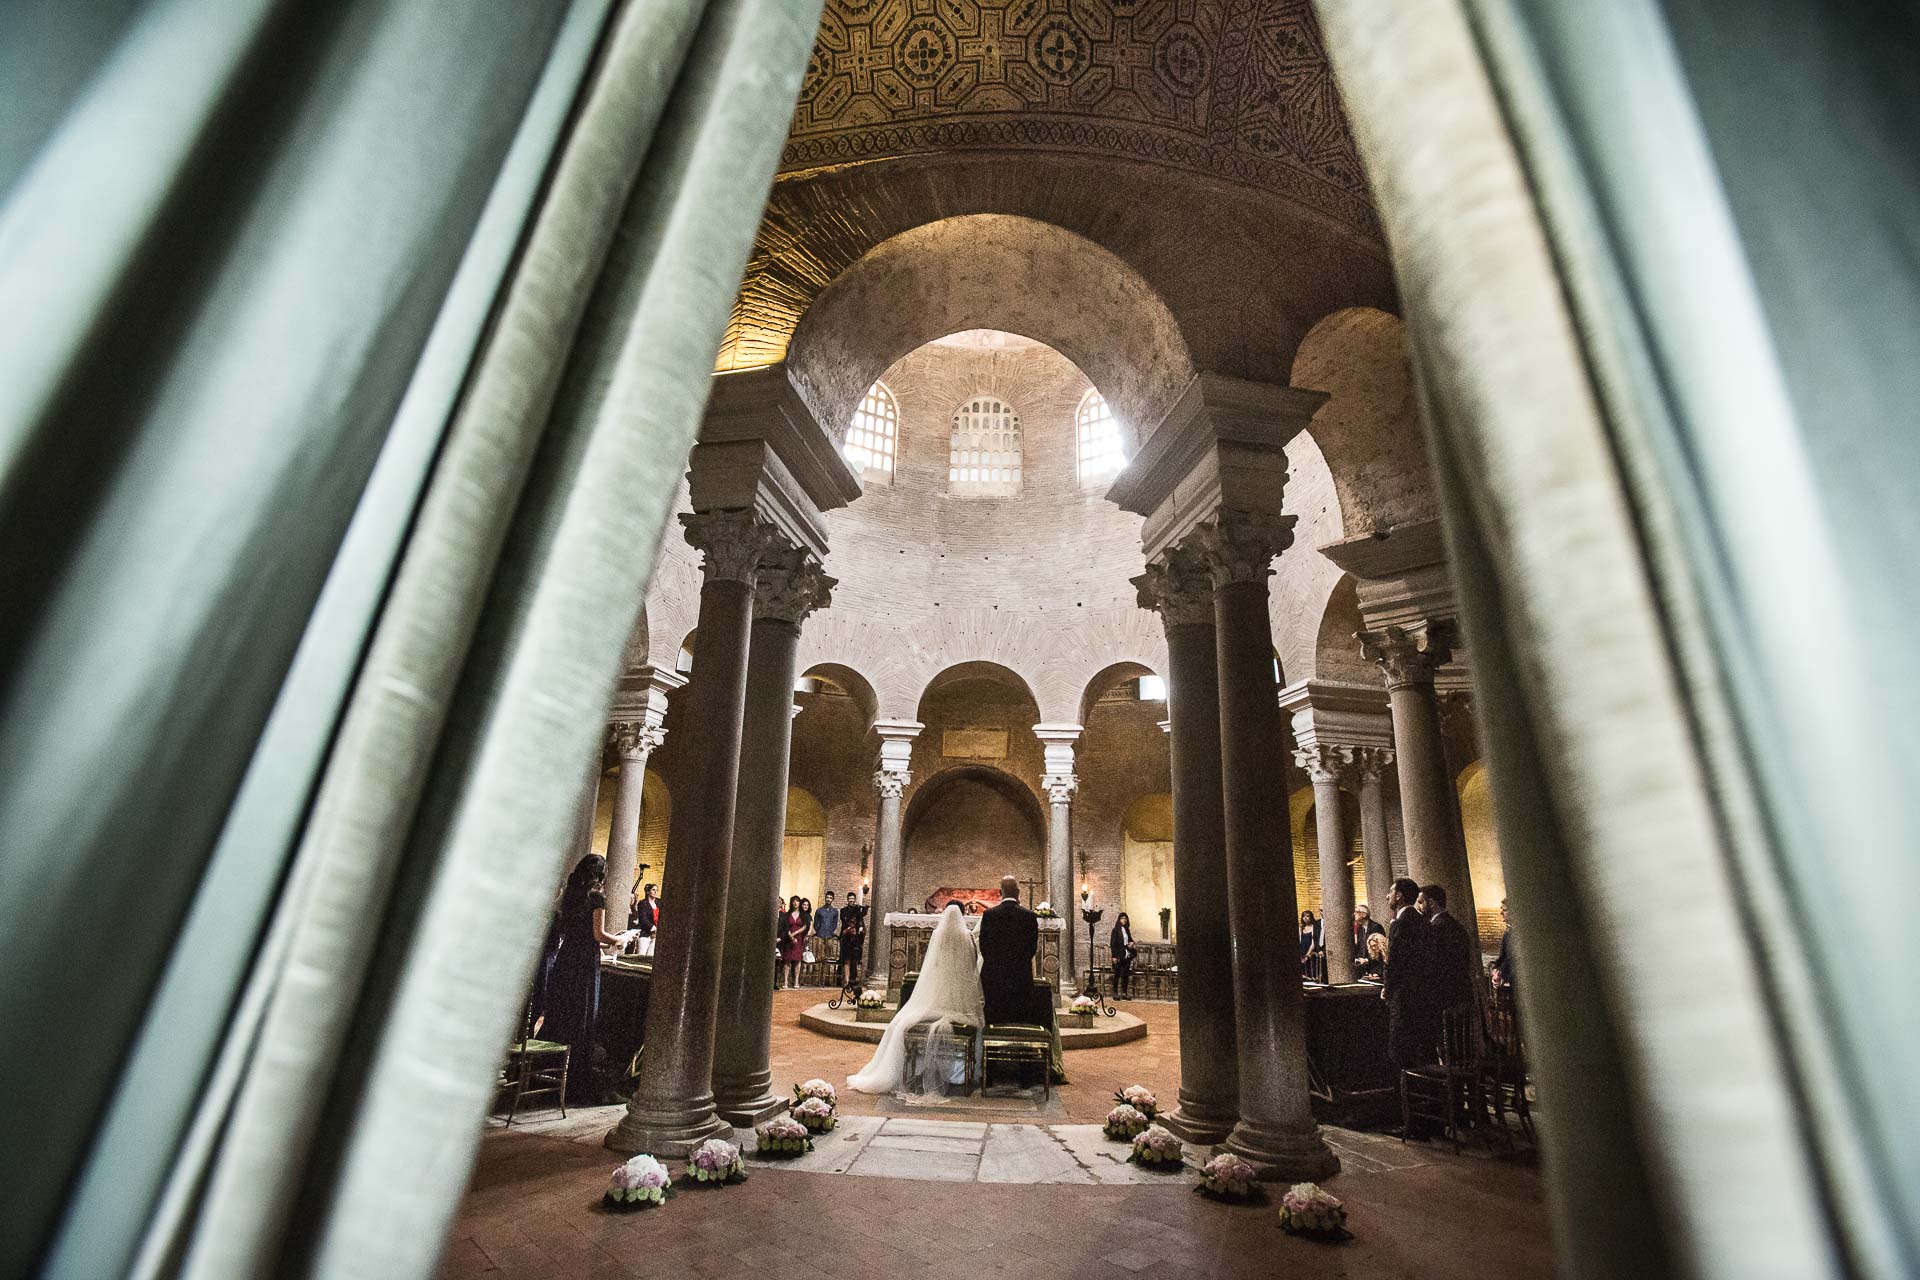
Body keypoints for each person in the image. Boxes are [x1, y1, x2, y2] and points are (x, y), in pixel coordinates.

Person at [849, 902, 983, 1096]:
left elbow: (932, 965)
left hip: (936, 993)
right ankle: (961, 1073)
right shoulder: (967, 937)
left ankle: (915, 1067)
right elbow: (972, 966)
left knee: (902, 1022)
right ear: (963, 916)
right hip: (959, 997)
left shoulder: (938, 935)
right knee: (976, 1022)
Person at [543, 855, 635, 1104]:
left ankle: (546, 1077)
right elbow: (598, 935)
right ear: (602, 874)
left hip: (566, 960)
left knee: (562, 1015)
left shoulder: (571, 896)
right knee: (582, 1020)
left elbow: (566, 928)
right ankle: (575, 1083)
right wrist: (621, 940)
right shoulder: (597, 897)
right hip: (584, 962)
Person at [1382, 876, 1434, 1068]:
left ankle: (1404, 1092)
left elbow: (1394, 961)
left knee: (1400, 1049)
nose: (1388, 895)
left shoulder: (1400, 923)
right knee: (1422, 1047)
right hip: (1424, 994)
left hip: (1404, 996)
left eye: (1391, 891)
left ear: (1400, 896)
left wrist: (1387, 989)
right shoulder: (1424, 921)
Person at [977, 875, 1040, 1027]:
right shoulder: (1029, 916)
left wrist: (996, 964)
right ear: (1018, 893)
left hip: (994, 976)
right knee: (1018, 1019)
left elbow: (984, 946)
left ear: (1001, 892)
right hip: (1020, 976)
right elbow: (1032, 948)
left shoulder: (989, 915)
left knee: (994, 1019)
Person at [1419, 883, 1476, 1014]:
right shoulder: (1455, 925)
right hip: (1460, 992)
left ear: (1432, 903)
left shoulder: (1437, 928)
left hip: (1445, 996)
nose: (1420, 908)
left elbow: (1434, 963)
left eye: (1421, 902)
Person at [777, 895, 809, 990]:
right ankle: (785, 981)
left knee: (797, 960)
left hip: (799, 938)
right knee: (787, 960)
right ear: (791, 903)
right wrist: (790, 935)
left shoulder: (803, 915)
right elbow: (785, 926)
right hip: (788, 938)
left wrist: (795, 934)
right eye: (794, 901)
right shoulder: (787, 914)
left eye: (797, 901)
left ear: (799, 903)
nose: (795, 903)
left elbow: (804, 927)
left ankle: (796, 981)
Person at [837, 888, 866, 989]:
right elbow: (845, 922)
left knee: (854, 960)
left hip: (855, 939)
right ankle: (846, 982)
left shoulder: (858, 910)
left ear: (855, 899)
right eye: (849, 898)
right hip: (846, 938)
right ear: (847, 899)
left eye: (853, 898)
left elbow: (861, 922)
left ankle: (853, 980)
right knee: (846, 960)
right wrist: (850, 927)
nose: (851, 900)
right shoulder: (843, 910)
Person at [1490, 898, 1517, 996]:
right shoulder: (1508, 933)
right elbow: (1503, 956)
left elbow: (1515, 958)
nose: (1501, 913)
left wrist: (1502, 975)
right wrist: (1496, 969)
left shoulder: (1520, 934)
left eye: (1504, 910)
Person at [1109, 911, 1139, 999]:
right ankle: (1115, 993)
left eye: (1125, 918)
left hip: (1126, 954)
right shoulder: (1115, 930)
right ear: (1119, 919)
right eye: (1122, 918)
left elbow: (1130, 939)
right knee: (1117, 973)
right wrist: (1114, 956)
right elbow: (1113, 944)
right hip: (1118, 954)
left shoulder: (1126, 930)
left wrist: (1132, 943)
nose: (1124, 920)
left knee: (1125, 974)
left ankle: (1124, 993)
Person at [628, 882, 659, 956]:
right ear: (648, 892)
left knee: (651, 957)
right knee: (641, 955)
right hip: (645, 933)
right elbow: (643, 918)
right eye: (653, 890)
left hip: (656, 934)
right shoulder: (643, 903)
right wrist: (652, 927)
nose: (655, 892)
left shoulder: (659, 903)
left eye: (656, 890)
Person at [1298, 909, 1323, 982]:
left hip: (1310, 950)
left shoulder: (1314, 927)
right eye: (1303, 916)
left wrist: (1308, 954)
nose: (1305, 918)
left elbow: (1313, 942)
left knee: (1311, 969)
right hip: (1302, 949)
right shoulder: (1301, 928)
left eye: (1307, 916)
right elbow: (1299, 940)